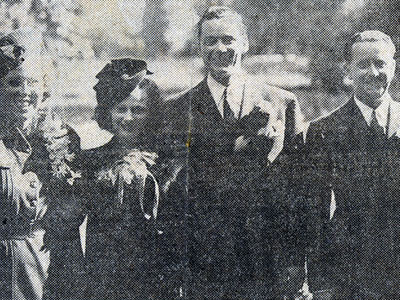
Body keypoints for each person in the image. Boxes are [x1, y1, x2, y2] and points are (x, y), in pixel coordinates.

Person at [161, 6, 306, 299]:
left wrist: (298, 264)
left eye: (228, 39)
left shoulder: (282, 104)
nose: (220, 49)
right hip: (203, 266)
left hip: (267, 263)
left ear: (245, 43)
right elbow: (170, 194)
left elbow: (300, 190)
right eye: (210, 41)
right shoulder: (176, 111)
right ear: (200, 47)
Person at [305, 31, 399, 299]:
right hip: (350, 271)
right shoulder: (324, 131)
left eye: (380, 64)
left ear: (393, 66)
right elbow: (316, 214)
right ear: (348, 70)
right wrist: (320, 284)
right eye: (363, 64)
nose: (373, 72)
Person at [79, 58, 180, 300]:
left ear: (151, 113)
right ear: (107, 110)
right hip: (105, 281)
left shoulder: (168, 162)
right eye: (120, 108)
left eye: (138, 110)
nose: (128, 117)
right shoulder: (89, 160)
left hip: (156, 279)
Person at [0, 27, 80, 300]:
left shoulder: (63, 137)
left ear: (44, 86)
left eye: (32, 83)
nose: (24, 92)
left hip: (46, 275)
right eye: (13, 82)